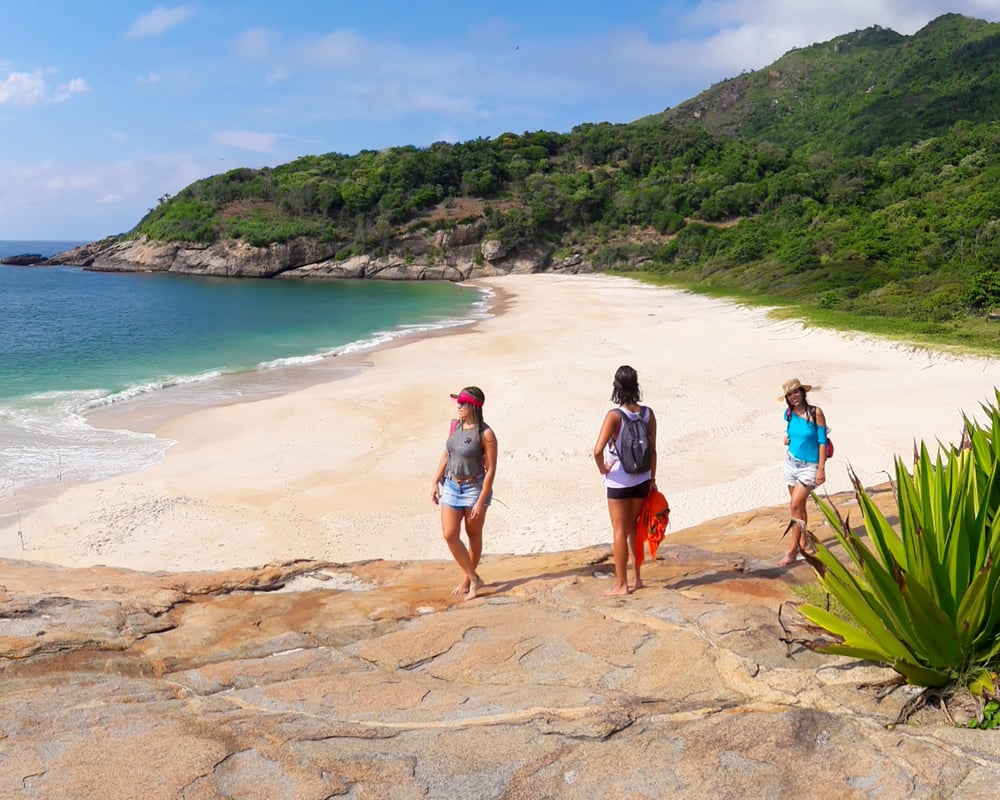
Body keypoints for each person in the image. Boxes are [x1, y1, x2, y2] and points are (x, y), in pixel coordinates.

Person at [592, 365, 657, 596]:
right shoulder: (648, 413)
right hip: (642, 478)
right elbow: (654, 451)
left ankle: (621, 585)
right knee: (633, 529)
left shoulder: (614, 416)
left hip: (620, 481)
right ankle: (636, 578)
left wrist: (603, 469)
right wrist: (652, 479)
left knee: (619, 531)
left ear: (616, 386)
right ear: (636, 384)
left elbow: (597, 450)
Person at [431, 386, 497, 600]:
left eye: (462, 403)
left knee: (473, 536)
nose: (458, 406)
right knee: (450, 535)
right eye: (458, 402)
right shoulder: (455, 426)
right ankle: (474, 577)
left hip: (474, 489)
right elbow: (446, 454)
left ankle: (467, 580)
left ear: (473, 406)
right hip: (451, 485)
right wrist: (434, 481)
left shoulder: (485, 434)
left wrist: (480, 500)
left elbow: (492, 469)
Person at [778, 378, 828, 566]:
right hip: (791, 463)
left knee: (794, 506)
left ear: (802, 392)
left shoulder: (816, 413)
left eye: (796, 392)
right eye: (789, 395)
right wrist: (787, 437)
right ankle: (804, 541)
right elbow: (791, 431)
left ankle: (792, 551)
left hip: (810, 466)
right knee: (800, 507)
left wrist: (821, 469)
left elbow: (822, 441)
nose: (793, 397)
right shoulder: (788, 414)